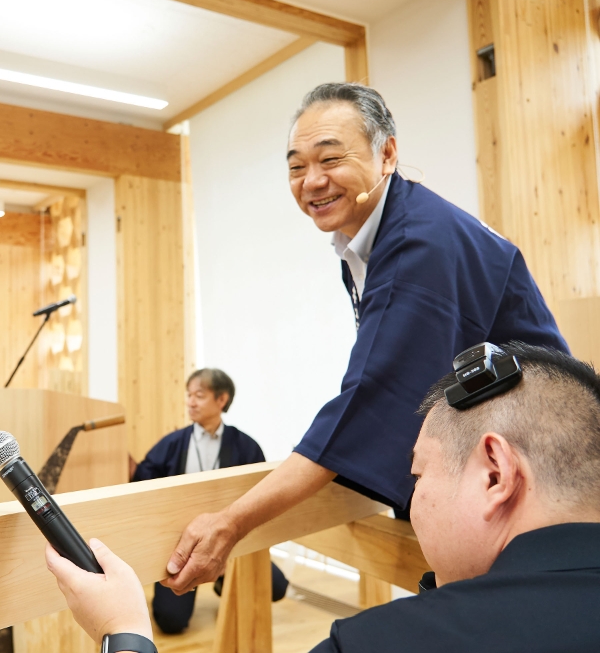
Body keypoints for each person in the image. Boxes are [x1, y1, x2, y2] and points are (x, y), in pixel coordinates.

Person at [161, 82, 569, 595]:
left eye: (330, 159)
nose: (311, 181)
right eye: (295, 166)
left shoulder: (420, 243)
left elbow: (373, 397)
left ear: (387, 154)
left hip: (537, 468)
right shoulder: (378, 235)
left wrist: (233, 522)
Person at [47, 342, 600, 652]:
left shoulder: (379, 645)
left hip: (228, 548)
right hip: (181, 546)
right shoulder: (172, 444)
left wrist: (123, 633)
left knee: (265, 588)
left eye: (418, 475)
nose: (413, 495)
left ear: (495, 474)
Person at [131, 368, 286, 634]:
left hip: (232, 540)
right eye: (189, 395)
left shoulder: (246, 446)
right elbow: (143, 479)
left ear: (221, 399)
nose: (190, 402)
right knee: (171, 622)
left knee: (276, 586)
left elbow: (261, 495)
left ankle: (222, 580)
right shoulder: (173, 442)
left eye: (199, 395)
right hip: (179, 544)